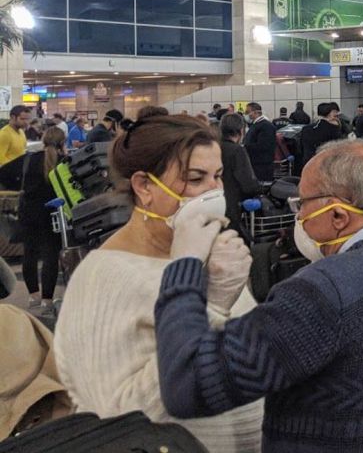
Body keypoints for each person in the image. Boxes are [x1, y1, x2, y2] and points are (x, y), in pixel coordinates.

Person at [151, 139, 363, 451]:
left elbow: (188, 385)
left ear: (337, 216)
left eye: (301, 203)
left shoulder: (320, 293)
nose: (298, 217)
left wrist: (185, 266)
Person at [54, 114, 264, 452]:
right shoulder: (104, 279)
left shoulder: (214, 256)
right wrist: (210, 303)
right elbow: (118, 420)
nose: (213, 192)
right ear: (144, 186)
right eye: (196, 179)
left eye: (218, 177)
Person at [18, 127, 66, 315]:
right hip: (52, 212)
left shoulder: (29, 158)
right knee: (50, 255)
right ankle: (47, 300)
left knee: (29, 252)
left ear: (43, 140)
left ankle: (33, 296)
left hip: (28, 211)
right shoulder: (64, 162)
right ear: (62, 143)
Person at [218, 113, 262, 240]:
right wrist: (259, 191)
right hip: (232, 205)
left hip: (215, 202)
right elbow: (248, 183)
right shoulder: (237, 150)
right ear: (241, 130)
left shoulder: (214, 147)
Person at [297, 103, 343, 173]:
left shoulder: (306, 129)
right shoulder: (333, 129)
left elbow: (301, 148)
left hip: (308, 164)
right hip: (326, 166)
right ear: (330, 113)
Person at [242, 103, 277, 183]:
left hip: (262, 166)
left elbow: (264, 146)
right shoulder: (255, 125)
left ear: (256, 112)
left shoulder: (266, 126)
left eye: (248, 112)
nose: (246, 115)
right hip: (255, 164)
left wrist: (245, 147)